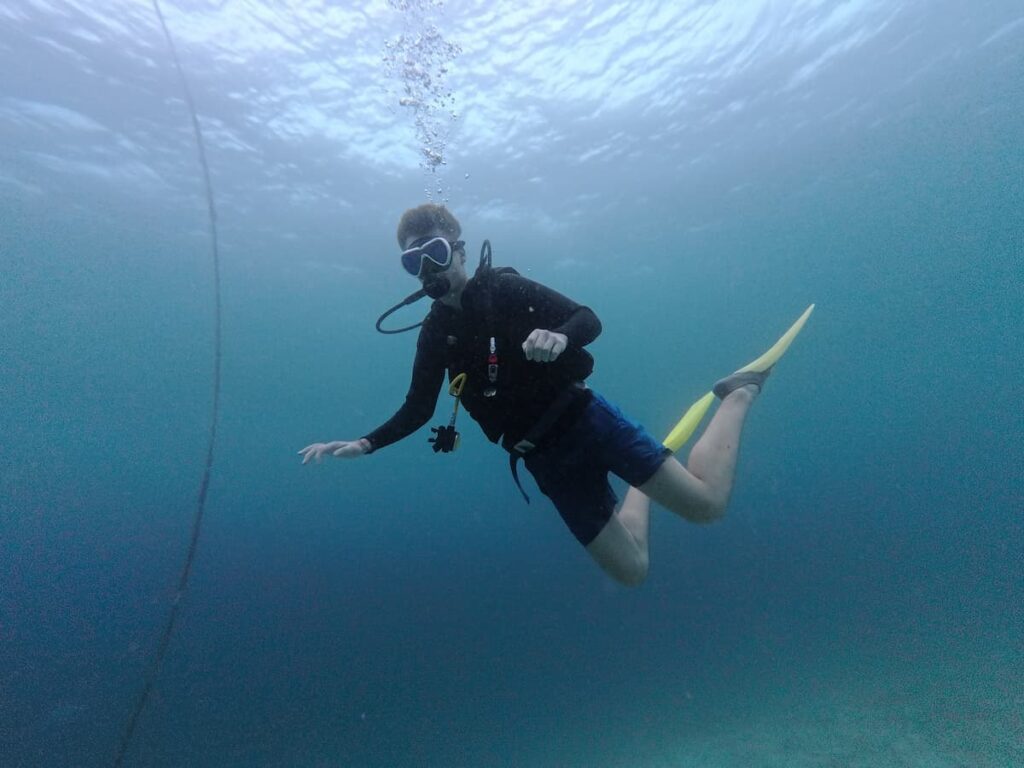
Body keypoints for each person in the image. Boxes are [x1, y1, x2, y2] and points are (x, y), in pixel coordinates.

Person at [299, 204, 768, 586]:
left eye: (434, 252)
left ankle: (737, 394)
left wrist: (560, 336)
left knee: (706, 508)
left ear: (459, 252)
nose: (425, 268)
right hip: (542, 459)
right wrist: (365, 443)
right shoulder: (434, 332)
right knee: (632, 571)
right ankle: (639, 489)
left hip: (588, 423)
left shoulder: (503, 288)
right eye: (412, 260)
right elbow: (418, 408)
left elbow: (587, 319)